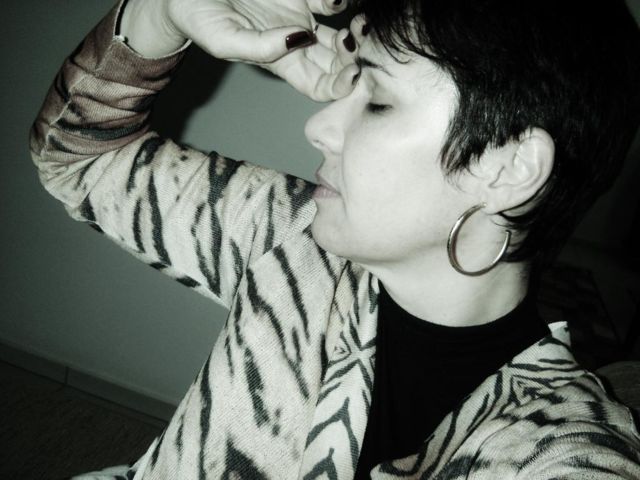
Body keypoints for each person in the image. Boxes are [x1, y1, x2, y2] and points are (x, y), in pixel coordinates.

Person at [29, 0, 640, 477]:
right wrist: (160, 14)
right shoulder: (292, 239)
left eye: (378, 101)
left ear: (508, 168)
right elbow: (79, 160)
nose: (319, 126)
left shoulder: (561, 447)